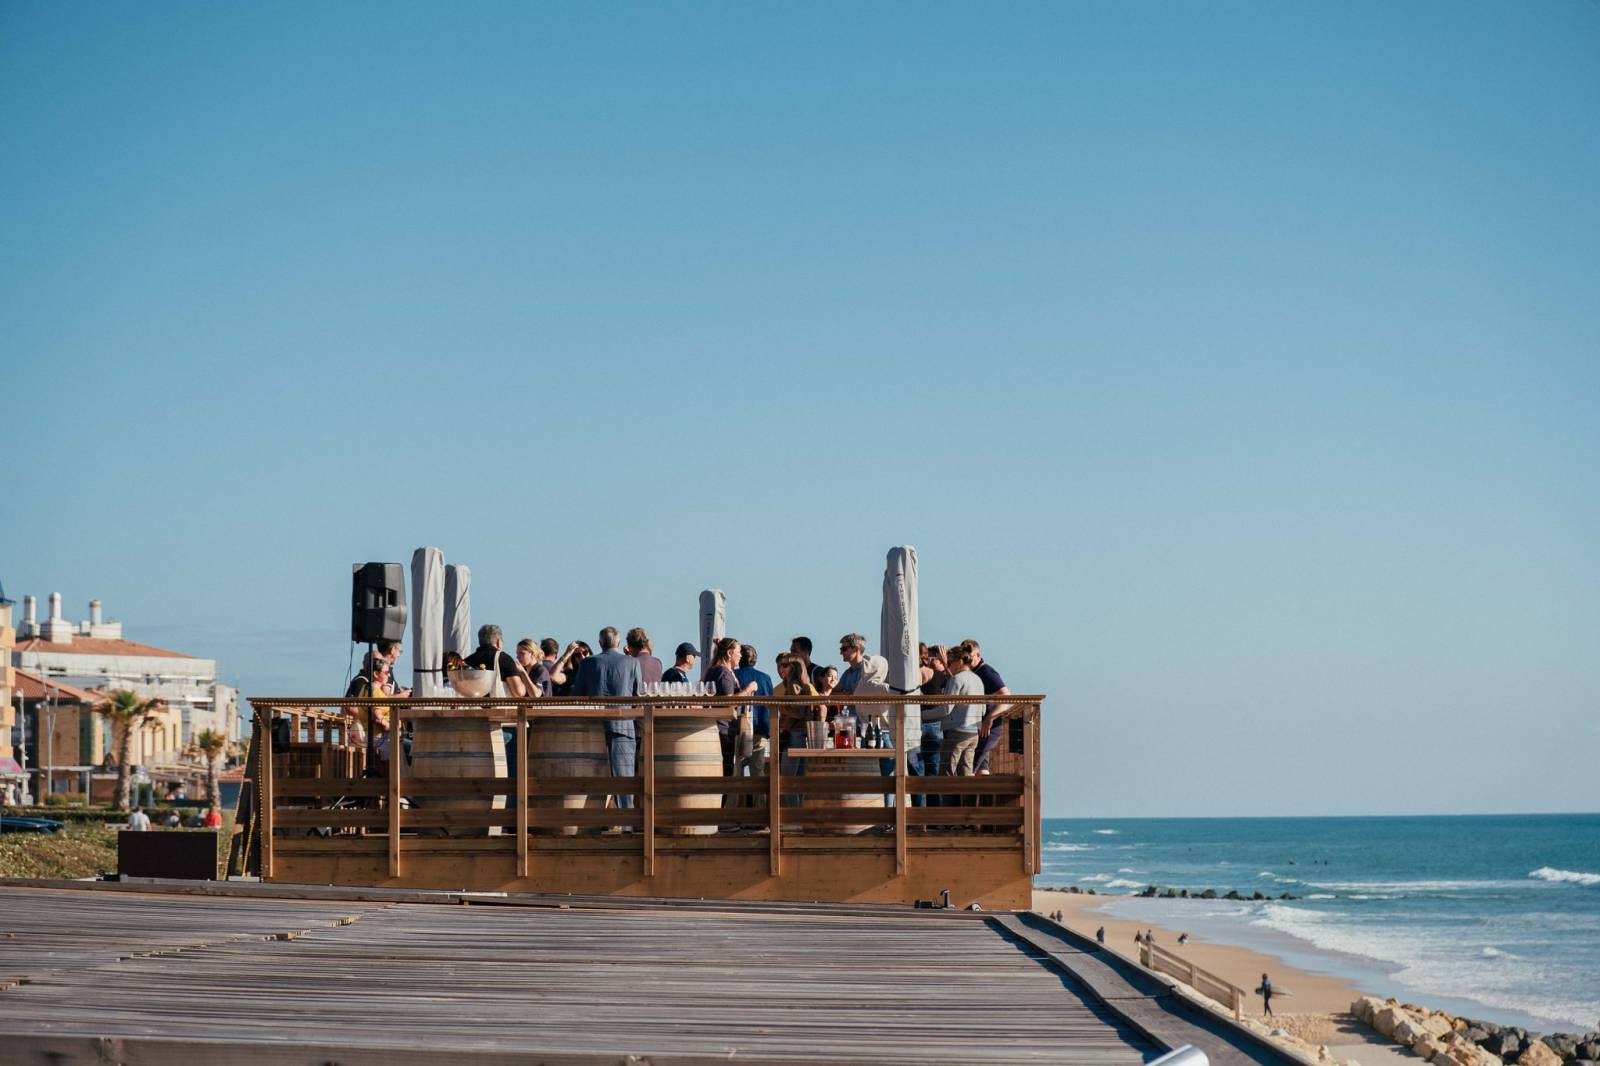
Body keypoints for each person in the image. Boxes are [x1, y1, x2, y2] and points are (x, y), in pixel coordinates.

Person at [574, 627, 641, 811]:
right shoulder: (632, 663)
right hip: (624, 725)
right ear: (618, 643)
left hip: (593, 727)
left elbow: (576, 695)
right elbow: (638, 695)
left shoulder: (588, 663)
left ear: (600, 643)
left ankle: (592, 821)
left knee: (591, 777)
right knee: (624, 778)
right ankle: (627, 822)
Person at [706, 637, 758, 778]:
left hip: (717, 727)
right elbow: (728, 702)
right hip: (724, 729)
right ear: (730, 653)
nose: (741, 656)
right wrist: (748, 689)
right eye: (739, 652)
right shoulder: (724, 673)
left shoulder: (714, 670)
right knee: (726, 771)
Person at [965, 639, 1014, 774]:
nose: (967, 661)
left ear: (978, 655)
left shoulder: (986, 672)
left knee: (972, 765)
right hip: (979, 726)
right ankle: (981, 794)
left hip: (989, 727)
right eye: (965, 658)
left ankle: (964, 793)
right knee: (982, 767)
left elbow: (1006, 695)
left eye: (970, 657)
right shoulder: (971, 673)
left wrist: (990, 718)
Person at [939, 645, 986, 782]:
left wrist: (922, 716)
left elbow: (946, 709)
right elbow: (982, 709)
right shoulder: (977, 680)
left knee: (946, 771)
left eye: (949, 663)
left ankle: (949, 803)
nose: (948, 666)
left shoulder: (957, 679)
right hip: (973, 732)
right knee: (966, 771)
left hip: (958, 731)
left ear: (959, 662)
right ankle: (967, 802)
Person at [916, 644, 951, 805]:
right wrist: (945, 664)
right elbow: (953, 685)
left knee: (916, 769)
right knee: (933, 769)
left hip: (914, 723)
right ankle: (933, 813)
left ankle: (920, 814)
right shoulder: (938, 676)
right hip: (935, 723)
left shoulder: (908, 676)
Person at [465, 625, 528, 696]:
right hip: (497, 706)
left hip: (472, 706)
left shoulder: (467, 661)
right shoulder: (504, 659)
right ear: (498, 641)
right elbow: (519, 692)